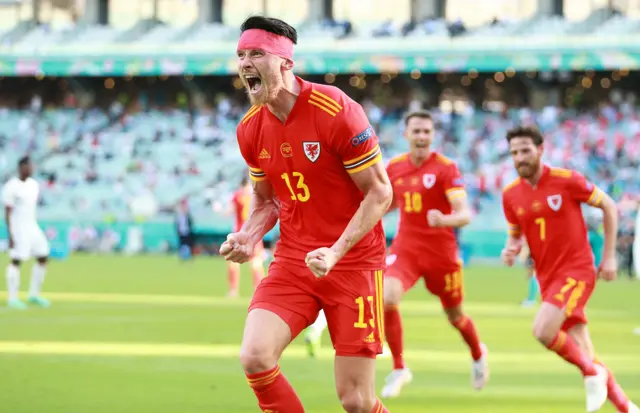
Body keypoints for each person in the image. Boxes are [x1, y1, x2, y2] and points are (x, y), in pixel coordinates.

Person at [220, 16, 392, 413]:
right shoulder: (250, 129)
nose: (245, 63)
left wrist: (335, 251)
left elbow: (380, 192)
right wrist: (249, 235)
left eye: (257, 53)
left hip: (353, 266)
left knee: (357, 402)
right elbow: (266, 200)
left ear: (286, 63)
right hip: (293, 262)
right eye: (241, 55)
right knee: (255, 356)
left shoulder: (336, 110)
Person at [500, 126, 638, 413]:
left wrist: (610, 257)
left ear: (540, 149)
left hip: (577, 270)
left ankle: (591, 374)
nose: (519, 157)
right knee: (584, 349)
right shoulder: (511, 195)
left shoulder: (566, 180)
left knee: (542, 330)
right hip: (547, 278)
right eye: (514, 152)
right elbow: (515, 234)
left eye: (525, 150)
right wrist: (511, 247)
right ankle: (626, 407)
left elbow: (609, 206)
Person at [380, 110, 487, 397]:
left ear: (433, 135)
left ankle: (478, 354)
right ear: (406, 135)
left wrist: (445, 220)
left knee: (455, 316)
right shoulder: (396, 167)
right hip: (407, 248)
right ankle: (399, 367)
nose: (422, 136)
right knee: (387, 296)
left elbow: (464, 214)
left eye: (426, 131)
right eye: (416, 131)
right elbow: (388, 204)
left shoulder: (445, 168)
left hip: (442, 254)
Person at [3, 156, 50, 309]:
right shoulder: (11, 186)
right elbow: (8, 212)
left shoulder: (33, 185)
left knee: (43, 256)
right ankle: (12, 298)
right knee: (17, 260)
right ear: (21, 167)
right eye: (29, 166)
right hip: (18, 228)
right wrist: (10, 234)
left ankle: (34, 294)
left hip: (32, 226)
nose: (31, 169)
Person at [228, 175, 265, 297]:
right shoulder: (256, 195)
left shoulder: (237, 196)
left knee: (234, 262)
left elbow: (229, 211)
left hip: (239, 233)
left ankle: (233, 290)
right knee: (256, 263)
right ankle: (259, 291)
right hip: (254, 233)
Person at [519, 242, 539, 307]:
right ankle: (531, 299)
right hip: (532, 253)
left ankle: (531, 300)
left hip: (532, 254)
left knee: (533, 276)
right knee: (533, 276)